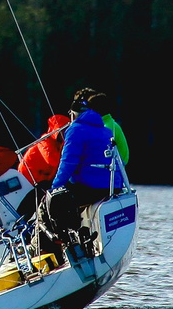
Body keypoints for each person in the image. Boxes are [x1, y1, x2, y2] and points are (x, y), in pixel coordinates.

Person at [33, 88, 127, 254]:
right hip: (113, 186)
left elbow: (68, 162)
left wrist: (54, 188)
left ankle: (58, 249)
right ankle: (80, 237)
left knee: (47, 204)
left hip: (90, 188)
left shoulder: (75, 130)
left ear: (73, 114)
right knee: (65, 201)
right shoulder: (105, 130)